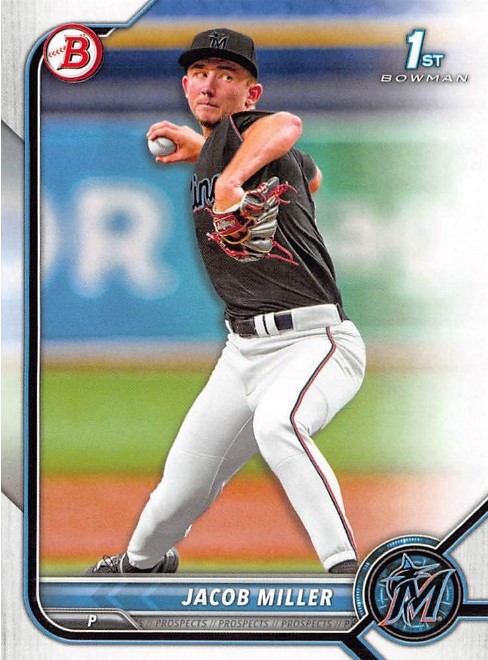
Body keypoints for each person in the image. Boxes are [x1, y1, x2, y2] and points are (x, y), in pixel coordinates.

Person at [84, 27, 366, 576]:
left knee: (280, 425)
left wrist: (229, 176)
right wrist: (208, 156)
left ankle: (347, 576)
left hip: (314, 341)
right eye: (199, 73)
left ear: (251, 94)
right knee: (177, 493)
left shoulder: (255, 134)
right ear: (185, 85)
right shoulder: (225, 151)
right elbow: (313, 177)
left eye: (227, 74)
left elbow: (287, 125)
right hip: (241, 353)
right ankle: (139, 567)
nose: (209, 84)